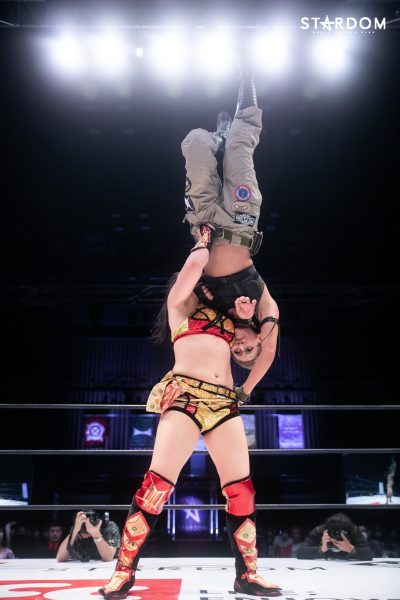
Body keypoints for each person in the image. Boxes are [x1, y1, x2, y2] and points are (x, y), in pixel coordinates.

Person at [99, 230, 281, 597]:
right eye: (197, 281)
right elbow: (196, 265)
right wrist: (205, 240)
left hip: (224, 401)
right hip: (184, 395)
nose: (203, 286)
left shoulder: (228, 317)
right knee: (157, 485)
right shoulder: (177, 304)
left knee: (241, 489)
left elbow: (255, 349)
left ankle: (247, 574)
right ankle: (123, 571)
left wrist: (248, 320)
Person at [181, 54, 279, 404]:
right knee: (240, 147)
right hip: (241, 220)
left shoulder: (214, 317)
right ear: (258, 339)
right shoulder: (265, 310)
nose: (241, 347)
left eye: (237, 352)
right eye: (248, 349)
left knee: (194, 140)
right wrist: (244, 392)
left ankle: (216, 138)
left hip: (204, 222)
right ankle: (247, 77)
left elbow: (181, 297)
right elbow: (268, 354)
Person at [297, 513, 373, 560]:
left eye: (339, 533)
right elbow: (300, 552)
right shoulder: (320, 530)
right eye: (333, 533)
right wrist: (321, 549)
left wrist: (351, 549)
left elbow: (369, 554)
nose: (336, 536)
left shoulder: (353, 530)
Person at [56, 510, 120, 562]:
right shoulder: (77, 528)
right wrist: (74, 531)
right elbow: (60, 558)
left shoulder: (108, 527)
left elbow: (108, 558)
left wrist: (96, 533)